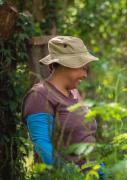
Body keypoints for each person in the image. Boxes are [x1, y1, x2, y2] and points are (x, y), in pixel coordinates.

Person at [21, 36, 104, 177]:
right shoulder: (40, 95)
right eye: (82, 68)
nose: (85, 74)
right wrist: (69, 174)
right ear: (65, 64)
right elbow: (42, 145)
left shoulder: (74, 92)